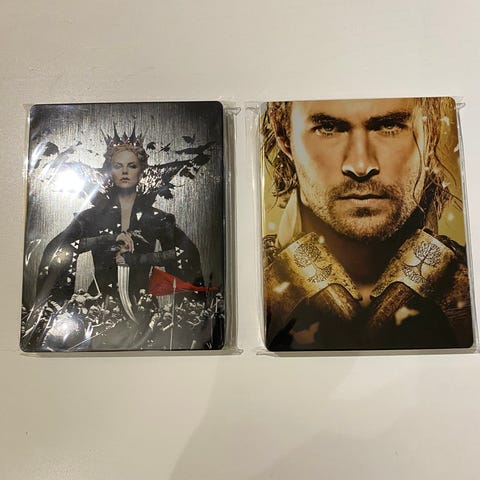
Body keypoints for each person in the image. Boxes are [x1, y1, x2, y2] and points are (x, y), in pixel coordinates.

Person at [262, 98, 473, 350]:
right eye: (328, 128)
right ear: (283, 132)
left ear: (432, 129)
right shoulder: (242, 291)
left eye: (389, 126)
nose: (360, 166)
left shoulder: (472, 286)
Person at [27, 127, 204, 349]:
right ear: (109, 171)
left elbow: (183, 254)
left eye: (132, 166)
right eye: (118, 166)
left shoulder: (157, 218)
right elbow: (60, 248)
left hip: (143, 309)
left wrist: (141, 259)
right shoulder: (91, 217)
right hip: (98, 307)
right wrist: (107, 239)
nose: (125, 172)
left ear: (142, 171)